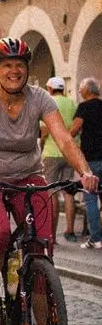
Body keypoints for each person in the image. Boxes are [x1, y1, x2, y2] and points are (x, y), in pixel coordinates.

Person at [0, 39, 98, 325]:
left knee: (41, 247)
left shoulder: (40, 98)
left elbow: (63, 138)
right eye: (7, 65)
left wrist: (84, 171)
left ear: (27, 69)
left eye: (20, 65)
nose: (14, 71)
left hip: (29, 177)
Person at [40, 75, 78, 241]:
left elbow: (45, 131)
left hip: (52, 152)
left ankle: (52, 235)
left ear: (49, 89)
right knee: (69, 192)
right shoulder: (71, 103)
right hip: (69, 153)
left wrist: (40, 143)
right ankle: (70, 230)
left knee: (51, 192)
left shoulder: (48, 103)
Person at [70, 77, 102, 249]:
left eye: (81, 89)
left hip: (90, 161)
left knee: (90, 199)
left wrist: (68, 142)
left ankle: (96, 239)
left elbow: (74, 129)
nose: (80, 92)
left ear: (88, 91)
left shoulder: (84, 107)